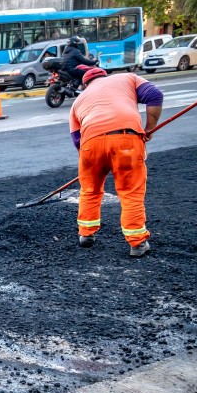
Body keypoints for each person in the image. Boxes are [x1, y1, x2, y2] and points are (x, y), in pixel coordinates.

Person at [69, 67, 163, 258]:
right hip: (126, 139)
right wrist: (149, 129)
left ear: (86, 84)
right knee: (130, 193)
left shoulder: (78, 101)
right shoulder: (127, 78)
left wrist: (92, 163)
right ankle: (137, 243)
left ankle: (86, 234)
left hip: (90, 144)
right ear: (105, 77)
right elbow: (155, 95)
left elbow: (77, 139)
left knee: (90, 189)